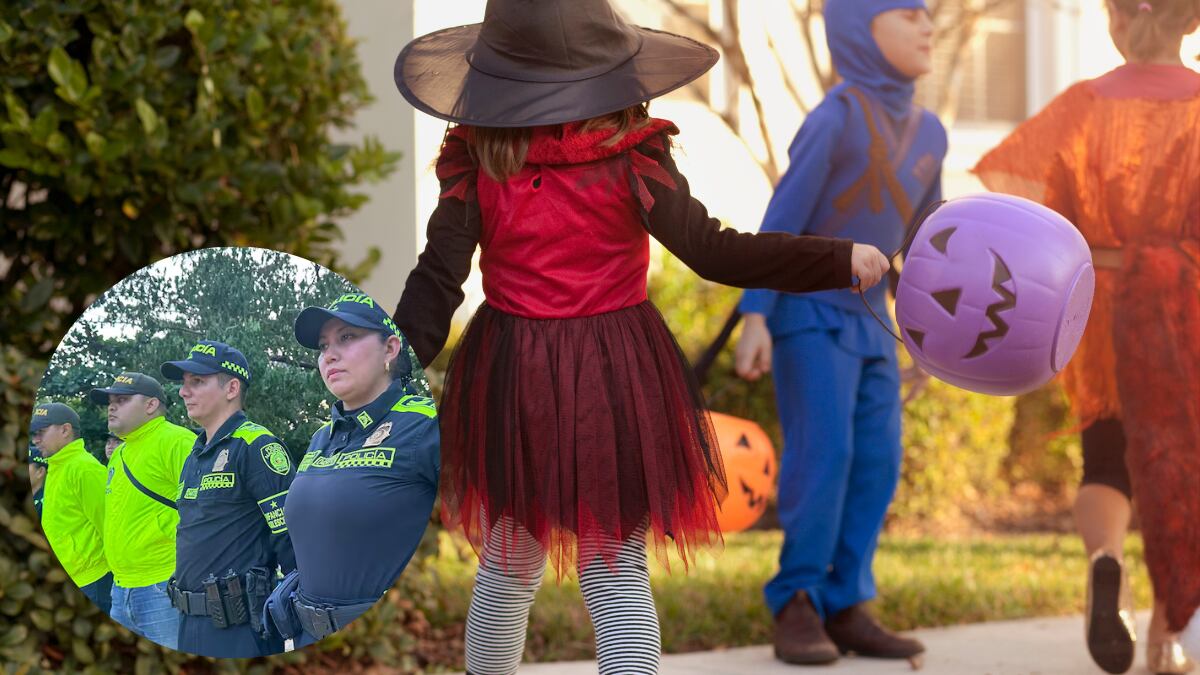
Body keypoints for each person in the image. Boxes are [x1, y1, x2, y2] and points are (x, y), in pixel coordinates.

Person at [389, 1, 892, 672]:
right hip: (609, 376)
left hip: (512, 379)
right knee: (613, 564)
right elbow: (716, 252)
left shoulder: (480, 159)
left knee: (509, 561)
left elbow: (437, 282)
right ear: (606, 67)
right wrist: (835, 260)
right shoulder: (630, 152)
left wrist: (385, 369)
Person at [974, 1, 1200, 671]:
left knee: (1106, 457)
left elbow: (1028, 210)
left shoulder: (1079, 105)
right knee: (1181, 463)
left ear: (1119, 20)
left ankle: (1109, 565)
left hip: (1099, 303)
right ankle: (1170, 621)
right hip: (1186, 306)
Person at [732, 0, 945, 665]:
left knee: (876, 464)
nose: (927, 26)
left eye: (928, 13)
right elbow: (783, 218)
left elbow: (928, 245)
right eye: (907, 13)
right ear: (859, 27)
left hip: (875, 324)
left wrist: (934, 331)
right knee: (823, 458)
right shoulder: (836, 117)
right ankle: (795, 598)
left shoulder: (933, 132)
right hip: (809, 315)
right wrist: (756, 314)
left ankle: (846, 602)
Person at [262, 294, 439, 647]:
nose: (329, 354)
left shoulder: (426, 426)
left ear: (390, 349)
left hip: (381, 642)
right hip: (305, 636)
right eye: (324, 345)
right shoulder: (319, 439)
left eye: (346, 337)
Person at [160, 341, 297, 657]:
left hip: (239, 629)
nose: (183, 392)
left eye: (197, 381)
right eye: (183, 383)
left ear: (232, 387)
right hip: (188, 620)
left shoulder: (255, 446)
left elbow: (291, 537)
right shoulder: (196, 454)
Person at [89, 372, 195, 649]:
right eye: (110, 401)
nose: (111, 407)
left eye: (122, 400)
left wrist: (159, 533)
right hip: (121, 587)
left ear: (150, 406)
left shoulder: (177, 441)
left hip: (163, 585)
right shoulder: (120, 454)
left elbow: (205, 510)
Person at [30, 402, 113, 615]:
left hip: (95, 580)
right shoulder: (57, 467)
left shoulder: (84, 469)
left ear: (65, 430)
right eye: (33, 434)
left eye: (40, 432)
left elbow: (109, 527)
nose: (35, 440)